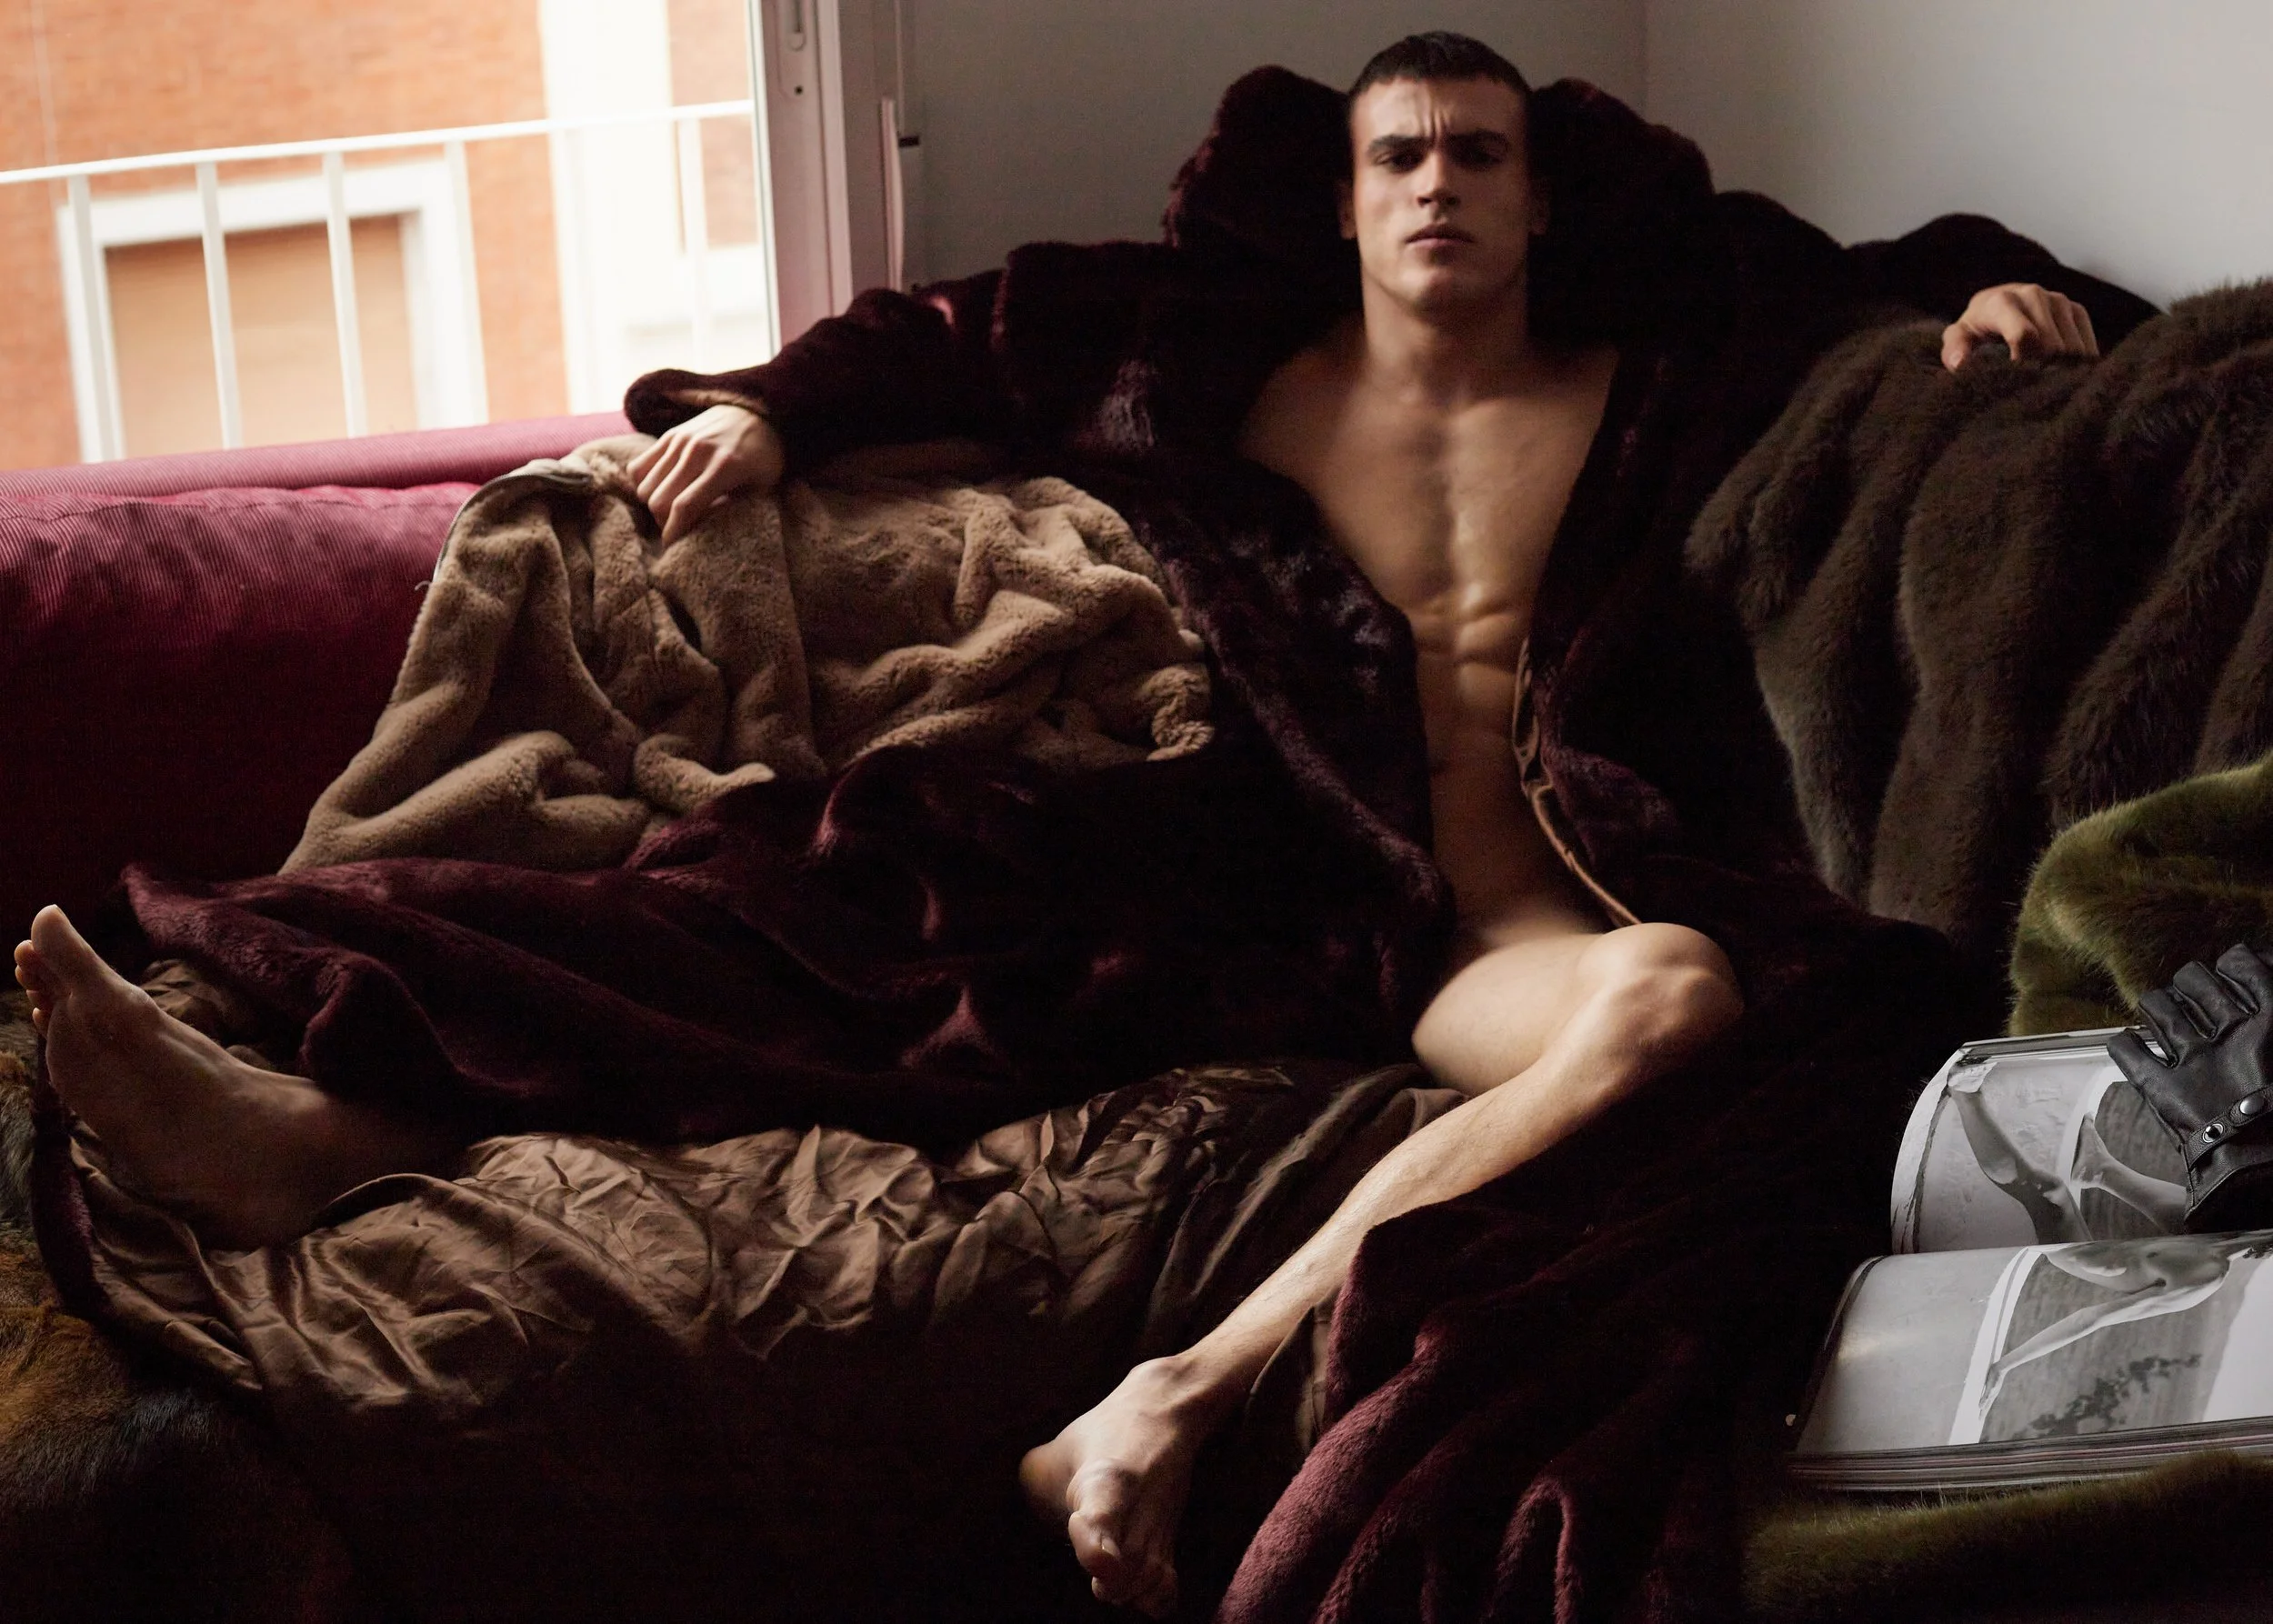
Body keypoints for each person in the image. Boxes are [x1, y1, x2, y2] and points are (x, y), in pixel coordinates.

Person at [13, 29, 2104, 1619]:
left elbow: (1881, 271)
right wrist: (767, 412)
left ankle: (1175, 1392)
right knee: (838, 925)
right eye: (1396, 155)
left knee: (1679, 997)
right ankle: (347, 1129)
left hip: (1522, 920)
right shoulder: (1221, 358)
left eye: (1477, 154)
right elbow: (955, 328)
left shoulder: (1661, 360)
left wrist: (2003, 289)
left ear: (1541, 197)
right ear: (1341, 197)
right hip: (1268, 868)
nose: (1436, 186)